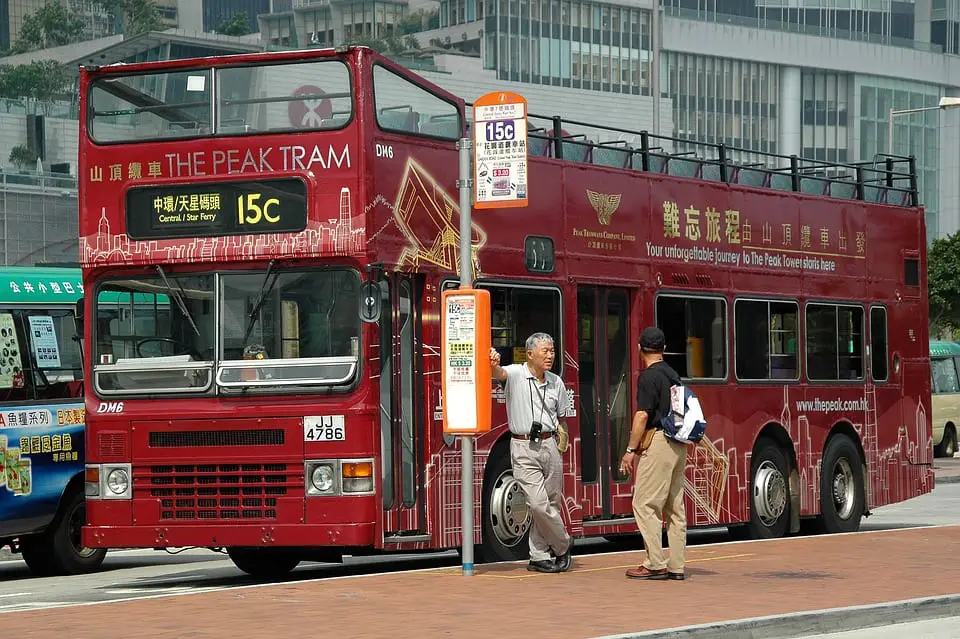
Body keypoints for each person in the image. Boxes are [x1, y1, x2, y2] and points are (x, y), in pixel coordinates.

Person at [489, 332, 573, 573]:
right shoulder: (516, 374)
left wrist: (561, 443)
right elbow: (498, 374)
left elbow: (562, 418)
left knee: (552, 503)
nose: (550, 356)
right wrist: (493, 363)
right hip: (524, 446)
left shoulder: (556, 381)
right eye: (545, 351)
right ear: (530, 354)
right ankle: (564, 544)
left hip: (550, 444)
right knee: (537, 504)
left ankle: (538, 555)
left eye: (552, 351)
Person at [619, 326, 689, 581]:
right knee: (674, 507)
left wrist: (630, 450)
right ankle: (677, 565)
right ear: (664, 349)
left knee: (644, 503)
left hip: (658, 441)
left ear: (640, 349)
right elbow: (680, 412)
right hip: (678, 442)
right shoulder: (673, 374)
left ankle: (655, 562)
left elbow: (642, 415)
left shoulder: (648, 377)